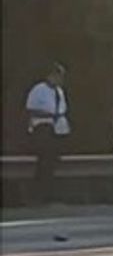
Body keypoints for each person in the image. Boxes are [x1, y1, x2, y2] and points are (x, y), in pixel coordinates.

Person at [25, 63, 70, 204]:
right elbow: (31, 110)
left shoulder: (59, 91)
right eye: (58, 76)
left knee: (53, 162)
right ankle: (39, 195)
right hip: (43, 127)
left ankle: (50, 194)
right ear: (51, 75)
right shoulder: (39, 90)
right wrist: (50, 114)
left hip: (58, 128)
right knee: (44, 161)